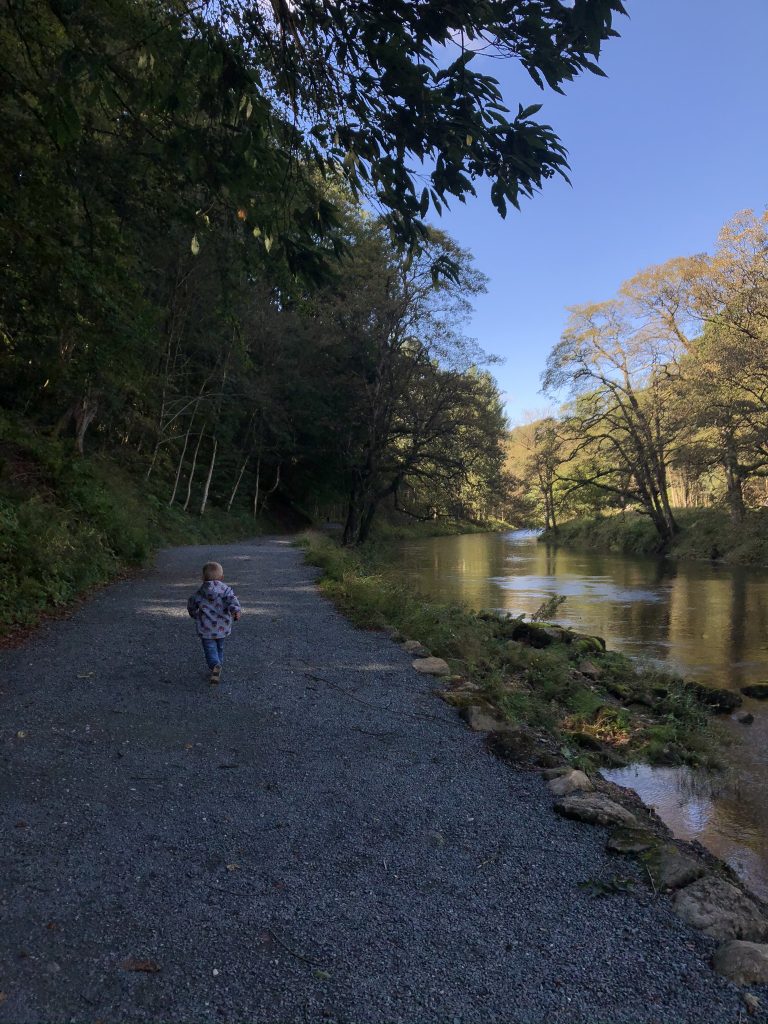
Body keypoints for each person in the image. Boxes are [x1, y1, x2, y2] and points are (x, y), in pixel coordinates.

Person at [187, 561, 242, 684]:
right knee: (220, 647)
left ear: (203, 578)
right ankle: (218, 666)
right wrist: (236, 611)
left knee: (210, 648)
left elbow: (191, 604)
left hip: (206, 628)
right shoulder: (226, 590)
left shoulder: (200, 592)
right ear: (222, 578)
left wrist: (193, 614)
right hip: (222, 626)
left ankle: (214, 665)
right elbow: (232, 601)